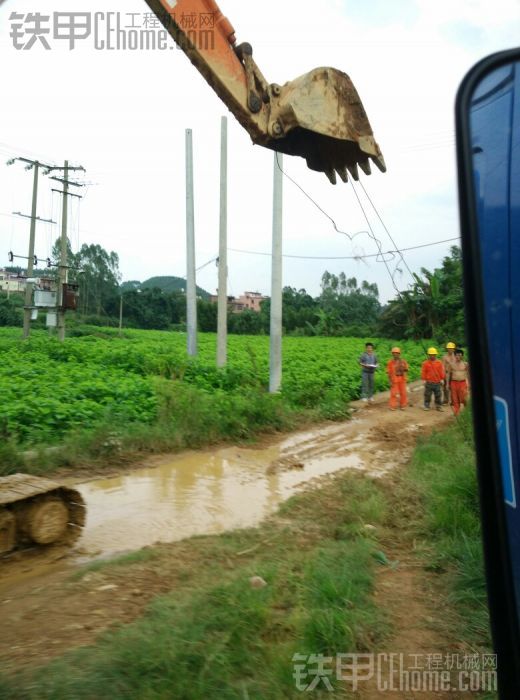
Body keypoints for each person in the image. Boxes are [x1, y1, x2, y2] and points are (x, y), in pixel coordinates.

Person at [449, 348, 470, 415]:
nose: (458, 357)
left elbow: (468, 374)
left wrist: (469, 383)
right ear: (455, 356)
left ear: (462, 356)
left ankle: (466, 407)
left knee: (463, 397)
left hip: (462, 383)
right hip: (454, 382)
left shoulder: (465, 364)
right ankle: (456, 411)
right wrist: (447, 383)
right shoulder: (451, 364)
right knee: (455, 398)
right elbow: (448, 374)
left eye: (460, 355)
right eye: (457, 355)